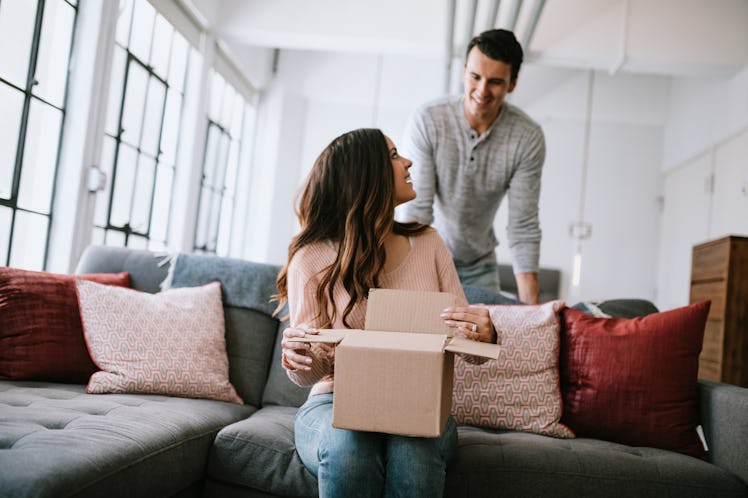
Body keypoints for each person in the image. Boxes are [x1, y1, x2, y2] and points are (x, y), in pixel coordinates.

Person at [273, 128, 497, 498]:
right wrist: (298, 358)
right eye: (394, 156)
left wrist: (484, 335)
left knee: (415, 448)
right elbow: (309, 374)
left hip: (419, 401)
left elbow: (469, 350)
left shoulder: (428, 243)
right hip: (334, 401)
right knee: (348, 447)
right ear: (367, 174)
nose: (408, 162)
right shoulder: (311, 258)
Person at [401, 29, 545, 304]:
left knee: (484, 341)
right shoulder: (429, 120)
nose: (482, 91)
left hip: (481, 265)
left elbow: (523, 227)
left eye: (495, 82)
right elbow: (417, 211)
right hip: (427, 258)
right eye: (475, 77)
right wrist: (405, 279)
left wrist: (533, 314)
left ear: (512, 84)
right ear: (463, 72)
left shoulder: (527, 137)